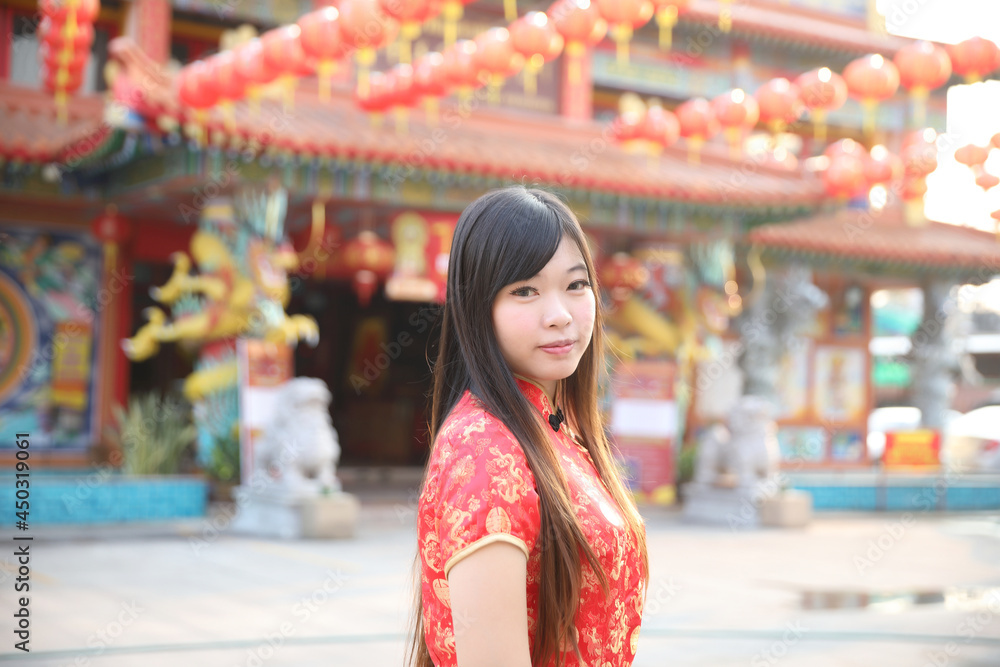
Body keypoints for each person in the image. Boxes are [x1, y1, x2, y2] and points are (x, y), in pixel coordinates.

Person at [407, 187, 649, 667]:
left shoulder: (555, 429)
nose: (560, 315)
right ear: (477, 309)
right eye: (525, 291)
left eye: (576, 285)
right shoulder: (485, 451)